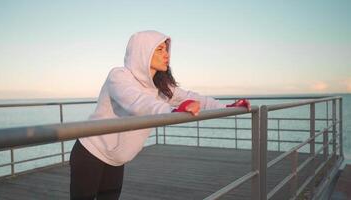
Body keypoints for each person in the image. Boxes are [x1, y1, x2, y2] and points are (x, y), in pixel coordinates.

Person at [69, 30, 251, 200]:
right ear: (143, 52)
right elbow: (137, 102)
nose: (167, 55)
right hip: (91, 153)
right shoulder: (119, 76)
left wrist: (226, 106)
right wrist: (170, 111)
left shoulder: (160, 87)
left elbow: (191, 97)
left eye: (167, 49)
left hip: (116, 160)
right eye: (159, 49)